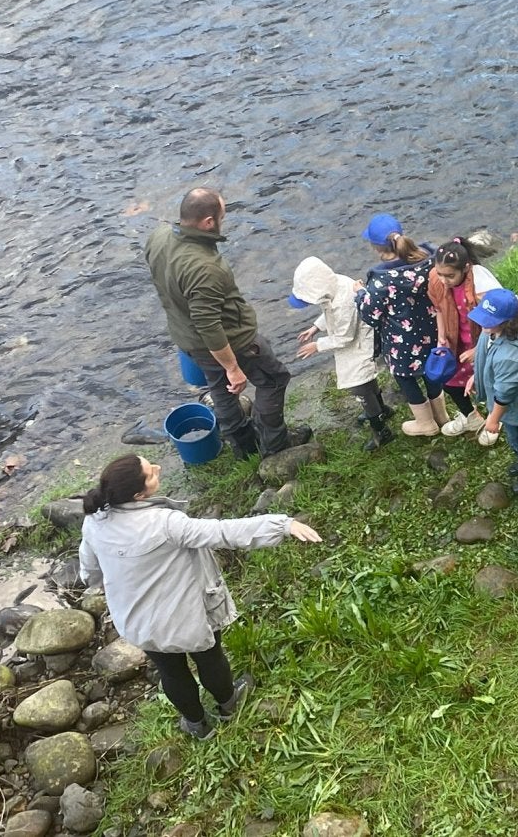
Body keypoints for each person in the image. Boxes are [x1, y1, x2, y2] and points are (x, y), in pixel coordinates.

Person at [78, 455, 320, 739]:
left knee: (171, 672)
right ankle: (229, 706)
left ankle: (196, 725)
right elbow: (222, 532)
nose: (158, 467)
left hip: (141, 621)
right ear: (138, 495)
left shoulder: (95, 522)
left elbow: (91, 572)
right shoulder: (166, 523)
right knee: (209, 658)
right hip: (187, 615)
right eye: (150, 473)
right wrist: (282, 525)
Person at [145, 187, 310, 458]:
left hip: (189, 342)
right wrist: (233, 367)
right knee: (274, 379)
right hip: (233, 341)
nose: (224, 220)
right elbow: (208, 324)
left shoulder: (158, 237)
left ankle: (243, 445)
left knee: (220, 389)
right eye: (222, 216)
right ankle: (275, 445)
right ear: (209, 222)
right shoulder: (205, 268)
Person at [289, 257, 390, 451]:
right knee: (366, 380)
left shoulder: (345, 301)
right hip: (353, 342)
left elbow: (345, 337)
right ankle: (381, 409)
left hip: (359, 344)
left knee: (359, 385)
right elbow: (329, 313)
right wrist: (315, 328)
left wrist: (317, 346)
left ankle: (380, 430)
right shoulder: (334, 285)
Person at [355, 244, 446, 436]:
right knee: (431, 370)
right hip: (431, 330)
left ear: (376, 248)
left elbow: (370, 316)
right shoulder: (429, 260)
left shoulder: (380, 281)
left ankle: (425, 423)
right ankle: (441, 416)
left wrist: (360, 294)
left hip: (401, 343)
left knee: (405, 377)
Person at [467, 289, 518, 496]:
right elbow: (484, 358)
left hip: (517, 407)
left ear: (506, 322)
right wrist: (475, 377)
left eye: (488, 320)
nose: (482, 324)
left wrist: (493, 420)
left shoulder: (509, 356)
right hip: (509, 403)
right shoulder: (491, 333)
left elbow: (505, 394)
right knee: (516, 438)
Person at [428, 237, 500, 437]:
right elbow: (439, 308)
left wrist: (478, 350)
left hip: (483, 341)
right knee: (449, 380)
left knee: (490, 382)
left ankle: (496, 421)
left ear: (466, 268)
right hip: (455, 340)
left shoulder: (483, 287)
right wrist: (441, 336)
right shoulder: (437, 278)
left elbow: (500, 325)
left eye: (449, 276)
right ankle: (470, 416)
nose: (443, 280)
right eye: (440, 274)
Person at [362, 213, 435, 282]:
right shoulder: (425, 253)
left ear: (376, 247)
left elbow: (372, 294)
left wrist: (360, 291)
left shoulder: (379, 275)